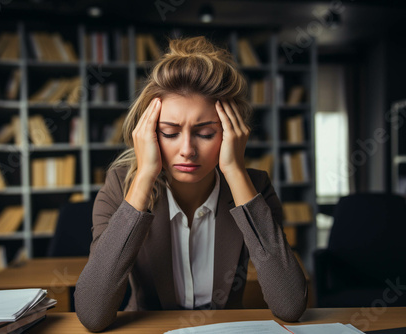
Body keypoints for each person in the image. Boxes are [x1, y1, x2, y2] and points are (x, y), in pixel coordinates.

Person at [74, 36, 307, 332]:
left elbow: (290, 306)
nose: (187, 149)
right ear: (148, 134)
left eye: (206, 133)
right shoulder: (122, 185)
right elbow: (93, 315)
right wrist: (144, 174)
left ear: (231, 133)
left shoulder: (254, 186)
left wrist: (235, 170)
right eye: (170, 133)